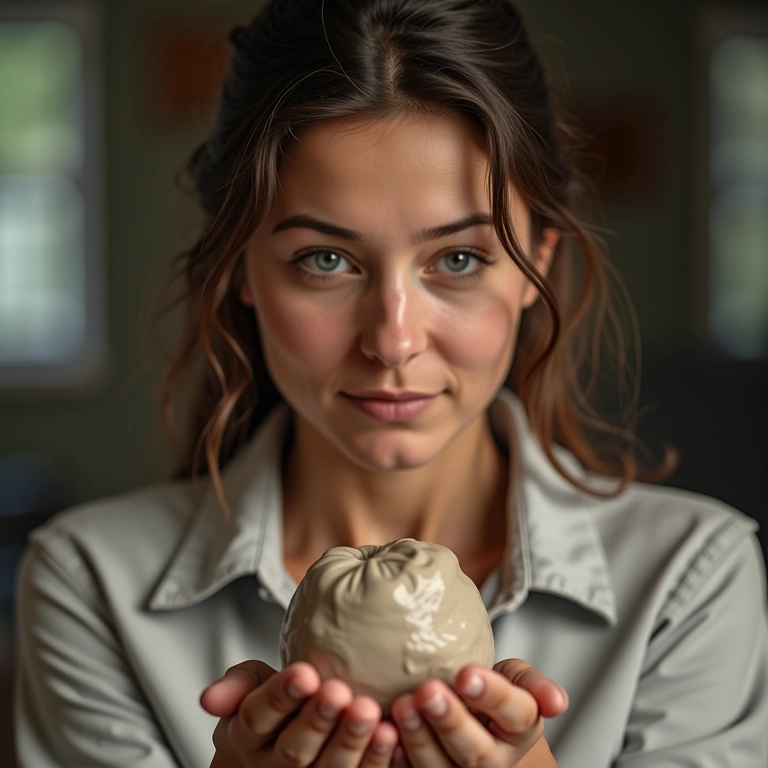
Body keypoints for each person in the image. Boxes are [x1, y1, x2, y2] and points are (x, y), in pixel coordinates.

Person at [14, 0, 768, 766]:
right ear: (243, 269)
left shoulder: (689, 582)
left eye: (460, 259)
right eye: (326, 259)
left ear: (536, 265)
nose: (393, 340)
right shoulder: (89, 587)